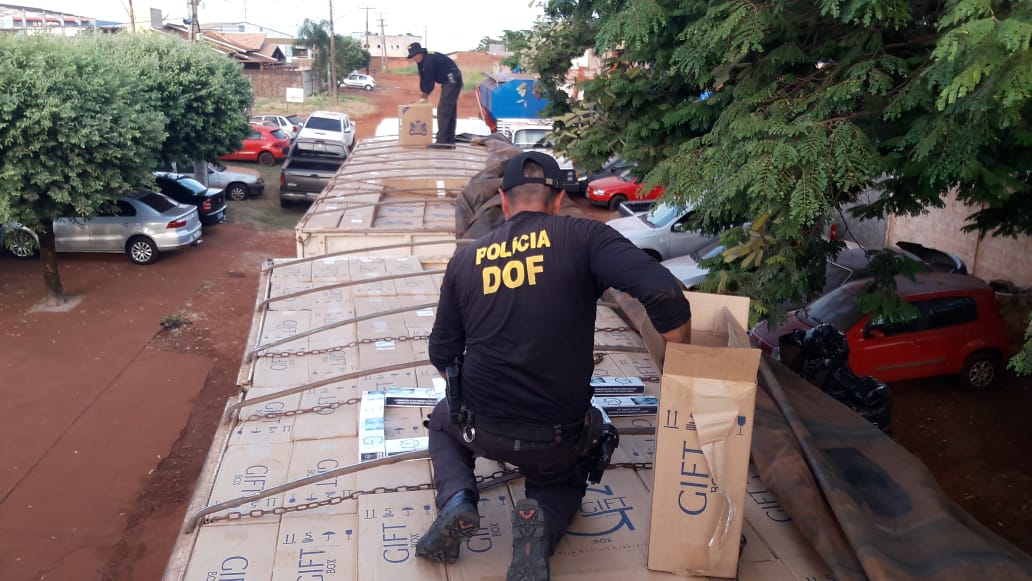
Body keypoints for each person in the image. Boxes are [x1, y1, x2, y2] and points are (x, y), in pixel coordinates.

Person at [416, 151, 692, 580]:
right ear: (559, 199)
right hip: (555, 436)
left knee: (441, 421)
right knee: (563, 478)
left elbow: (442, 354)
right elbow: (664, 292)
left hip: (481, 424)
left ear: (503, 200)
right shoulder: (585, 237)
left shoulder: (466, 260)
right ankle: (539, 525)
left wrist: (478, 398)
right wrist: (681, 365)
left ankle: (457, 499)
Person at [406, 41, 463, 147]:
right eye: (412, 56)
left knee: (443, 110)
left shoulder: (428, 61)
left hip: (452, 79)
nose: (414, 58)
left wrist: (423, 99)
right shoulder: (421, 61)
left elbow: (429, 83)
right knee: (449, 111)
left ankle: (442, 141)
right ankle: (449, 140)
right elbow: (423, 79)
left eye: (415, 55)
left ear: (420, 53)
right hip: (448, 80)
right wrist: (422, 99)